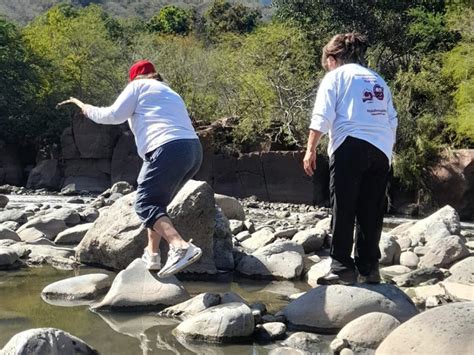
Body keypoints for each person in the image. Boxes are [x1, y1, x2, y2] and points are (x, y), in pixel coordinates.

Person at [59, 60, 203, 278]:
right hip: (192, 150)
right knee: (157, 204)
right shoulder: (170, 92)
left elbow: (113, 116)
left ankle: (180, 246)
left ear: (135, 77)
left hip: (166, 148)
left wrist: (87, 110)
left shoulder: (138, 86)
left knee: (145, 203)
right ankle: (152, 255)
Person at [303, 33, 397, 285]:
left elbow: (322, 115)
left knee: (343, 206)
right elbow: (392, 119)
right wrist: (387, 150)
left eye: (326, 64)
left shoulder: (336, 77)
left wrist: (311, 149)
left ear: (332, 59)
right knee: (371, 210)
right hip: (381, 148)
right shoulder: (377, 78)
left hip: (349, 144)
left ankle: (342, 266)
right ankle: (369, 268)